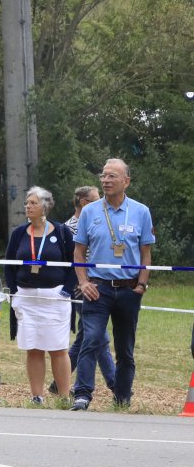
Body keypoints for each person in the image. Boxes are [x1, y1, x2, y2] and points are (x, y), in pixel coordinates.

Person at [70, 158, 153, 411]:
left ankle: (121, 398)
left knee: (125, 349)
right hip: (98, 288)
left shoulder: (141, 211)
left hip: (129, 289)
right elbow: (79, 251)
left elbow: (146, 252)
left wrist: (142, 285)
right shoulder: (90, 211)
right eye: (103, 176)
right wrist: (83, 282)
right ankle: (82, 395)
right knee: (91, 339)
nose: (105, 180)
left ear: (126, 181)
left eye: (112, 176)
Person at [5, 187, 73, 406]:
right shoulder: (19, 233)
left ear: (45, 206)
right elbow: (9, 264)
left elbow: (74, 263)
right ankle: (37, 396)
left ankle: (64, 397)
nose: (28, 206)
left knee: (58, 348)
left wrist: (67, 290)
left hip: (54, 297)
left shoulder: (61, 232)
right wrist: (14, 291)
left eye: (33, 203)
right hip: (26, 297)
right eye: (27, 203)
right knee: (33, 347)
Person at [64, 185, 114, 393]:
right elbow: (72, 260)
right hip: (82, 288)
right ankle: (115, 384)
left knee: (87, 336)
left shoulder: (97, 221)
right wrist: (81, 283)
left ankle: (59, 382)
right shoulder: (69, 228)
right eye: (96, 199)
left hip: (97, 285)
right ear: (84, 203)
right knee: (98, 337)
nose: (102, 202)